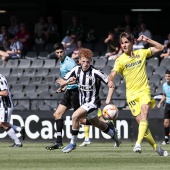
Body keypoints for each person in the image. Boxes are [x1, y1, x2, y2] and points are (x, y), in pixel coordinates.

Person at [107, 31, 168, 156]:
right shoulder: (120, 60)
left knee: (145, 114)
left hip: (144, 91)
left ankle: (137, 144)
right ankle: (157, 148)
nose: (124, 45)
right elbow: (113, 74)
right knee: (143, 125)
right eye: (122, 43)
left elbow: (161, 48)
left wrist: (147, 40)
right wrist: (110, 80)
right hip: (131, 95)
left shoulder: (141, 53)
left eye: (126, 42)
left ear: (132, 42)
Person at [57, 48, 120, 153]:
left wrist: (108, 100)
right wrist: (64, 84)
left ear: (91, 61)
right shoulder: (76, 70)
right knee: (97, 123)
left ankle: (73, 143)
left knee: (75, 116)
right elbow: (66, 80)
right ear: (80, 61)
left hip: (93, 103)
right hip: (83, 103)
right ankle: (113, 133)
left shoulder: (96, 72)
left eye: (88, 61)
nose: (86, 64)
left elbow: (111, 85)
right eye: (83, 61)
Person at [45, 42, 80, 150]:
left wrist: (66, 84)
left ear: (64, 51)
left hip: (76, 92)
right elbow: (68, 80)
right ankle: (58, 142)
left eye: (61, 52)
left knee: (82, 120)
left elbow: (77, 78)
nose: (59, 54)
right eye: (57, 52)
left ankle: (106, 126)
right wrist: (64, 87)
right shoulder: (61, 62)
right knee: (57, 114)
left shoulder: (69, 63)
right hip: (69, 91)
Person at [0, 74, 25, 147]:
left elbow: (5, 93)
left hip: (6, 105)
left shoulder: (0, 78)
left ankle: (18, 143)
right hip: (2, 105)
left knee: (3, 124)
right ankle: (19, 129)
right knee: (3, 124)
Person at [157, 70, 170, 145]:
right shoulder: (164, 85)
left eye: (169, 76)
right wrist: (160, 103)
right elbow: (164, 95)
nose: (167, 77)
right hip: (168, 105)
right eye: (166, 76)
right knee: (166, 124)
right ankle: (166, 139)